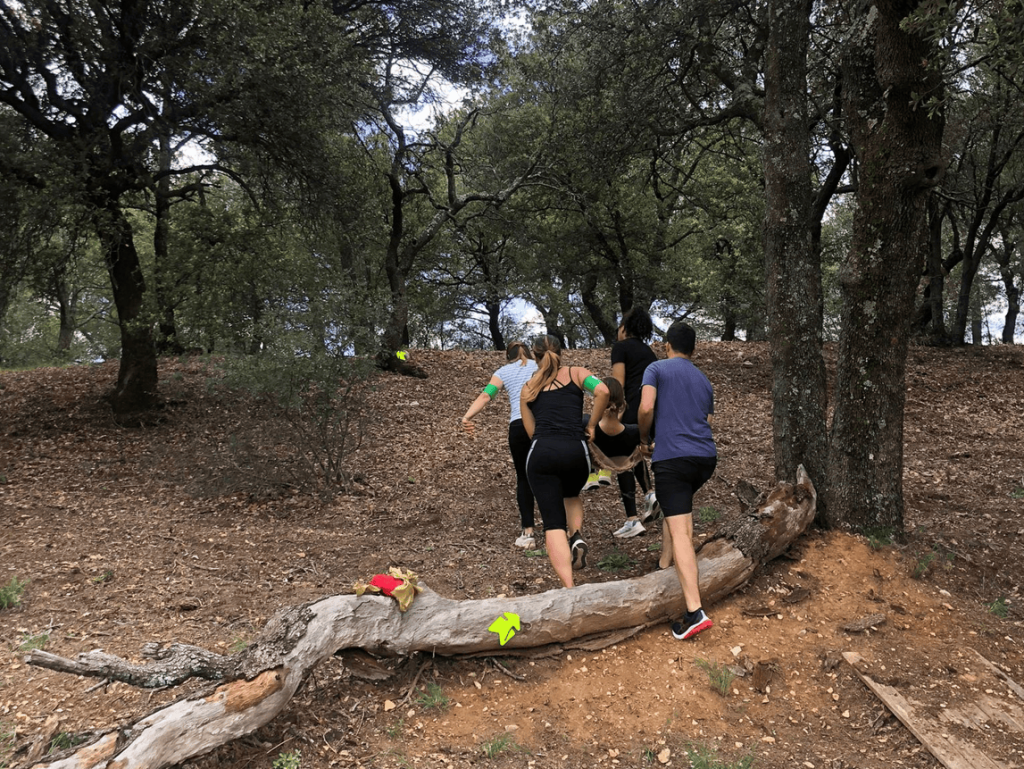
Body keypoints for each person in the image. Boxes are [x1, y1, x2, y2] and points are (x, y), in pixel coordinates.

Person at [638, 320, 717, 641]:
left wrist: (645, 438)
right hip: (704, 459)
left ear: (666, 345)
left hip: (672, 459)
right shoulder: (704, 380)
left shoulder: (656, 369)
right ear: (693, 349)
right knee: (678, 513)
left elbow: (645, 407)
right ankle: (667, 563)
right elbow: (707, 421)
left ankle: (695, 611)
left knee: (683, 531)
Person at [521, 335, 610, 588]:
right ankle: (577, 535)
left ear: (535, 356)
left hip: (542, 453)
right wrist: (591, 424)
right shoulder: (578, 373)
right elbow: (603, 390)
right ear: (562, 352)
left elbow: (530, 432)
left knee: (552, 524)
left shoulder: (528, 387)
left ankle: (570, 588)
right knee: (571, 494)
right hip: (575, 453)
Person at [461, 342, 539, 549]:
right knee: (551, 474)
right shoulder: (540, 365)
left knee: (524, 477)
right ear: (530, 352)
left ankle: (528, 532)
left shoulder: (503, 371)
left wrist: (467, 416)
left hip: (518, 426)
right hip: (543, 424)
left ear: (508, 355)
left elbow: (486, 395)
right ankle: (561, 529)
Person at [605, 307, 659, 538]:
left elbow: (618, 385)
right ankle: (650, 494)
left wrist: (613, 414)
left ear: (624, 328)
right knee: (635, 454)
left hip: (629, 411)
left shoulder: (621, 348)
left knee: (621, 460)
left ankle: (632, 520)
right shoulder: (649, 353)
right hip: (651, 413)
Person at [585, 378, 649, 528]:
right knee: (632, 456)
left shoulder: (586, 425)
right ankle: (646, 499)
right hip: (623, 458)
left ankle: (591, 475)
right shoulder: (633, 431)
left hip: (598, 458)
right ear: (622, 404)